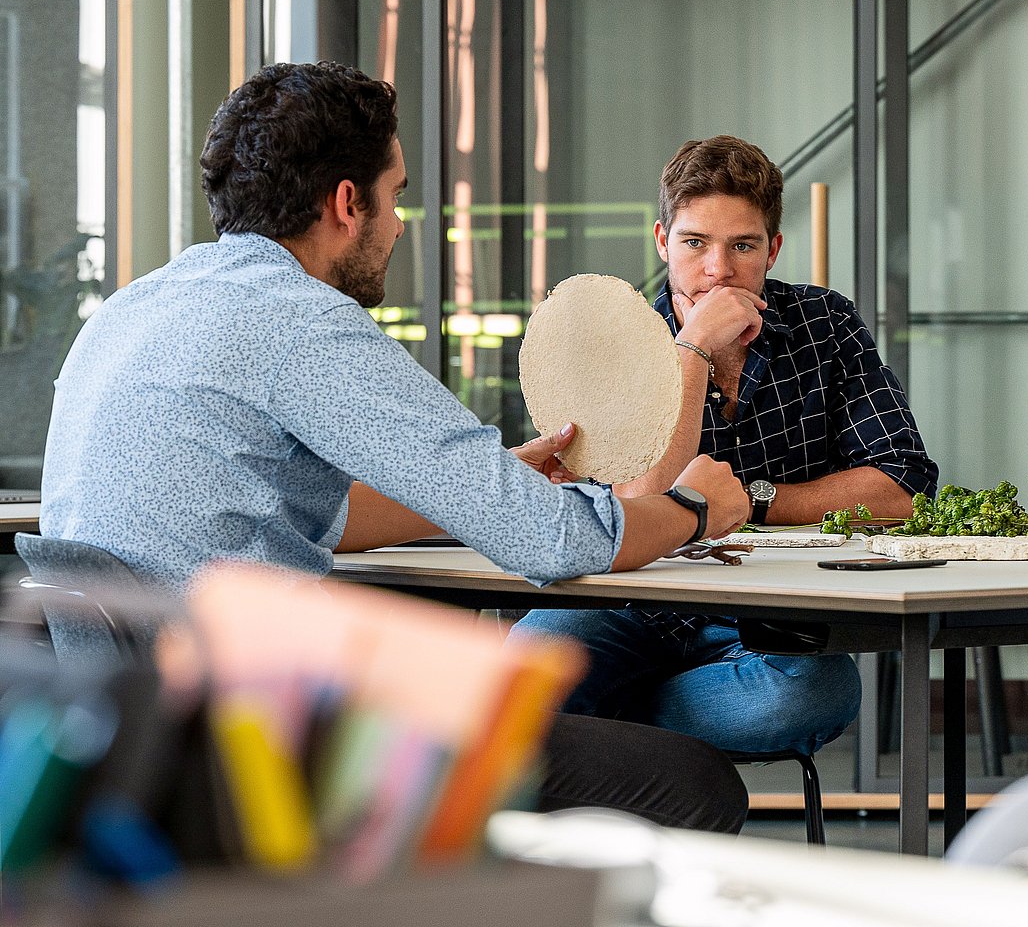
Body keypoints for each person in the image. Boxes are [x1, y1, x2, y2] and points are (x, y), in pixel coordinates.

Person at [39, 60, 751, 833]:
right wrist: (691, 507)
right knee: (693, 781)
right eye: (398, 194)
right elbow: (552, 541)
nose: (403, 223)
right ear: (349, 203)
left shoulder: (133, 307)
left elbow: (314, 514)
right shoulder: (302, 321)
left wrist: (489, 483)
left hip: (130, 741)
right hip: (259, 745)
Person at [513, 135, 938, 757]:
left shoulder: (825, 324)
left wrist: (752, 501)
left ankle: (605, 731)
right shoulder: (610, 338)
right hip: (631, 599)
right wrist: (694, 349)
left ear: (773, 249)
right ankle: (626, 736)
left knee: (818, 694)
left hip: (767, 611)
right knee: (523, 671)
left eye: (742, 246)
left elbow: (902, 487)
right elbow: (640, 501)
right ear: (662, 242)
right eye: (695, 244)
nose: (718, 269)